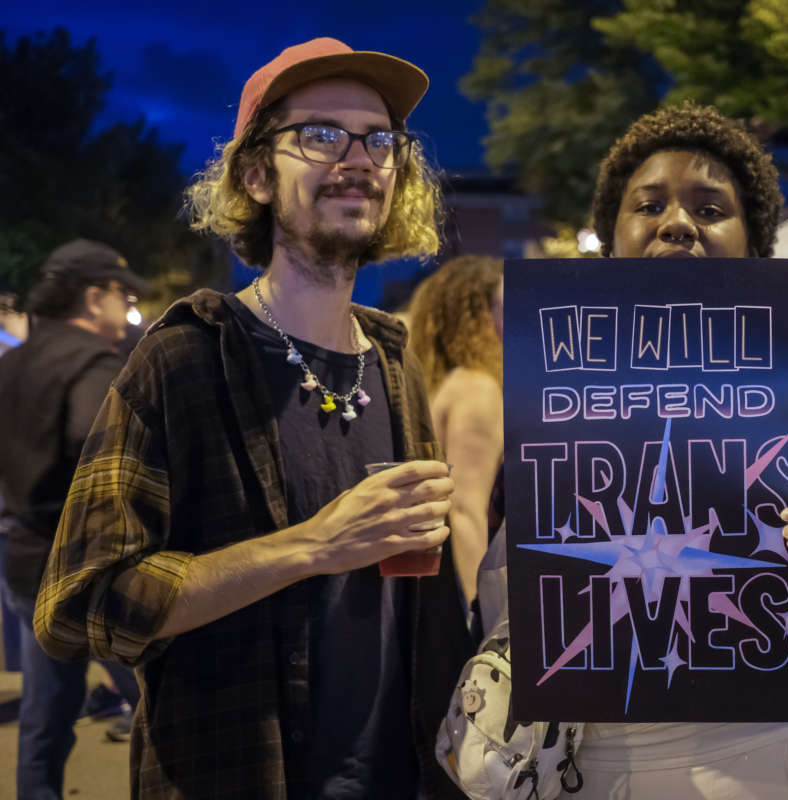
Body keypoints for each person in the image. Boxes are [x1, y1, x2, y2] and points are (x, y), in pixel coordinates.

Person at [476, 104, 788, 799]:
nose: (677, 222)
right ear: (612, 239)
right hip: (586, 760)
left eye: (711, 208)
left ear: (755, 242)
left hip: (776, 759)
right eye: (648, 205)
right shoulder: (555, 399)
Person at [35, 38, 473, 799]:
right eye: (321, 135)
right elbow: (81, 606)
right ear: (257, 173)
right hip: (237, 773)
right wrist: (313, 545)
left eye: (380, 140)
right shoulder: (184, 360)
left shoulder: (397, 364)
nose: (359, 158)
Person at [0, 240, 147, 798]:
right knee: (164, 700)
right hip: (88, 565)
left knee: (46, 711)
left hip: (23, 556)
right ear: (94, 297)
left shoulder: (13, 360)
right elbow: (103, 451)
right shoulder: (92, 364)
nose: (127, 308)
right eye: (124, 295)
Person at [406, 255, 504, 609]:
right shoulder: (477, 388)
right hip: (462, 581)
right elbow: (465, 509)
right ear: (476, 319)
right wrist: (480, 615)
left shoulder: (441, 385)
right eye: (504, 308)